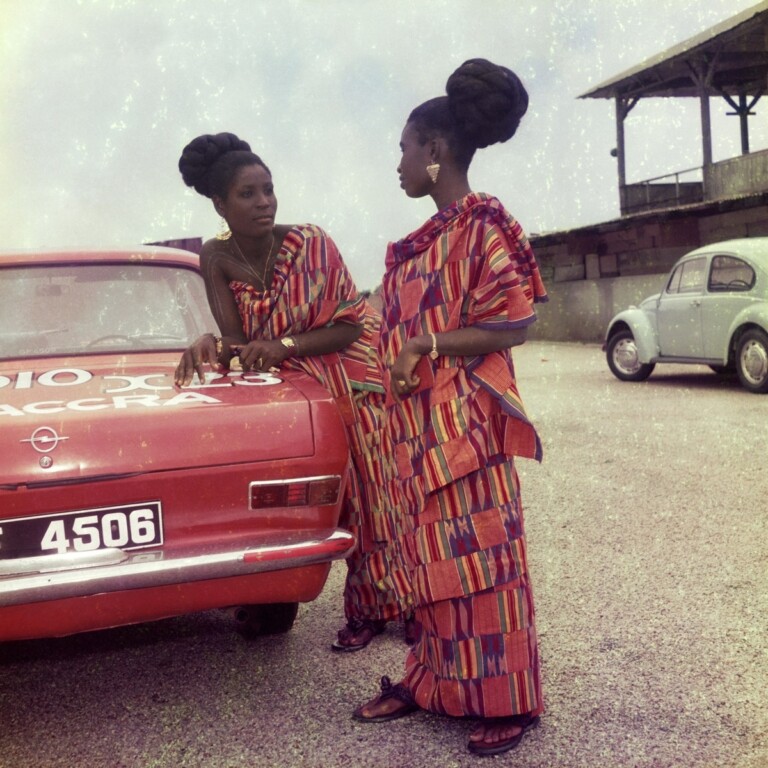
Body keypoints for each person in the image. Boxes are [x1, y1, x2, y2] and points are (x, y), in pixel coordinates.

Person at [352, 59, 548, 756]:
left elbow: (515, 320)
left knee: (483, 559)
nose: (397, 162)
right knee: (427, 557)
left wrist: (427, 343)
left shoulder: (480, 226)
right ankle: (433, 682)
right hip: (414, 432)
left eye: (404, 147)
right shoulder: (423, 240)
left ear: (434, 152)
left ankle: (508, 700)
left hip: (466, 427)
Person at [174, 132, 412, 650]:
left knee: (378, 490)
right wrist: (210, 342)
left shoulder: (311, 243)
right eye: (247, 194)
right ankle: (370, 607)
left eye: (268, 189)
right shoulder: (214, 256)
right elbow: (237, 342)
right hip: (292, 386)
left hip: (352, 376)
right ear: (219, 204)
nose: (264, 202)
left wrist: (283, 343)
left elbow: (350, 326)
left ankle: (393, 604)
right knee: (332, 497)